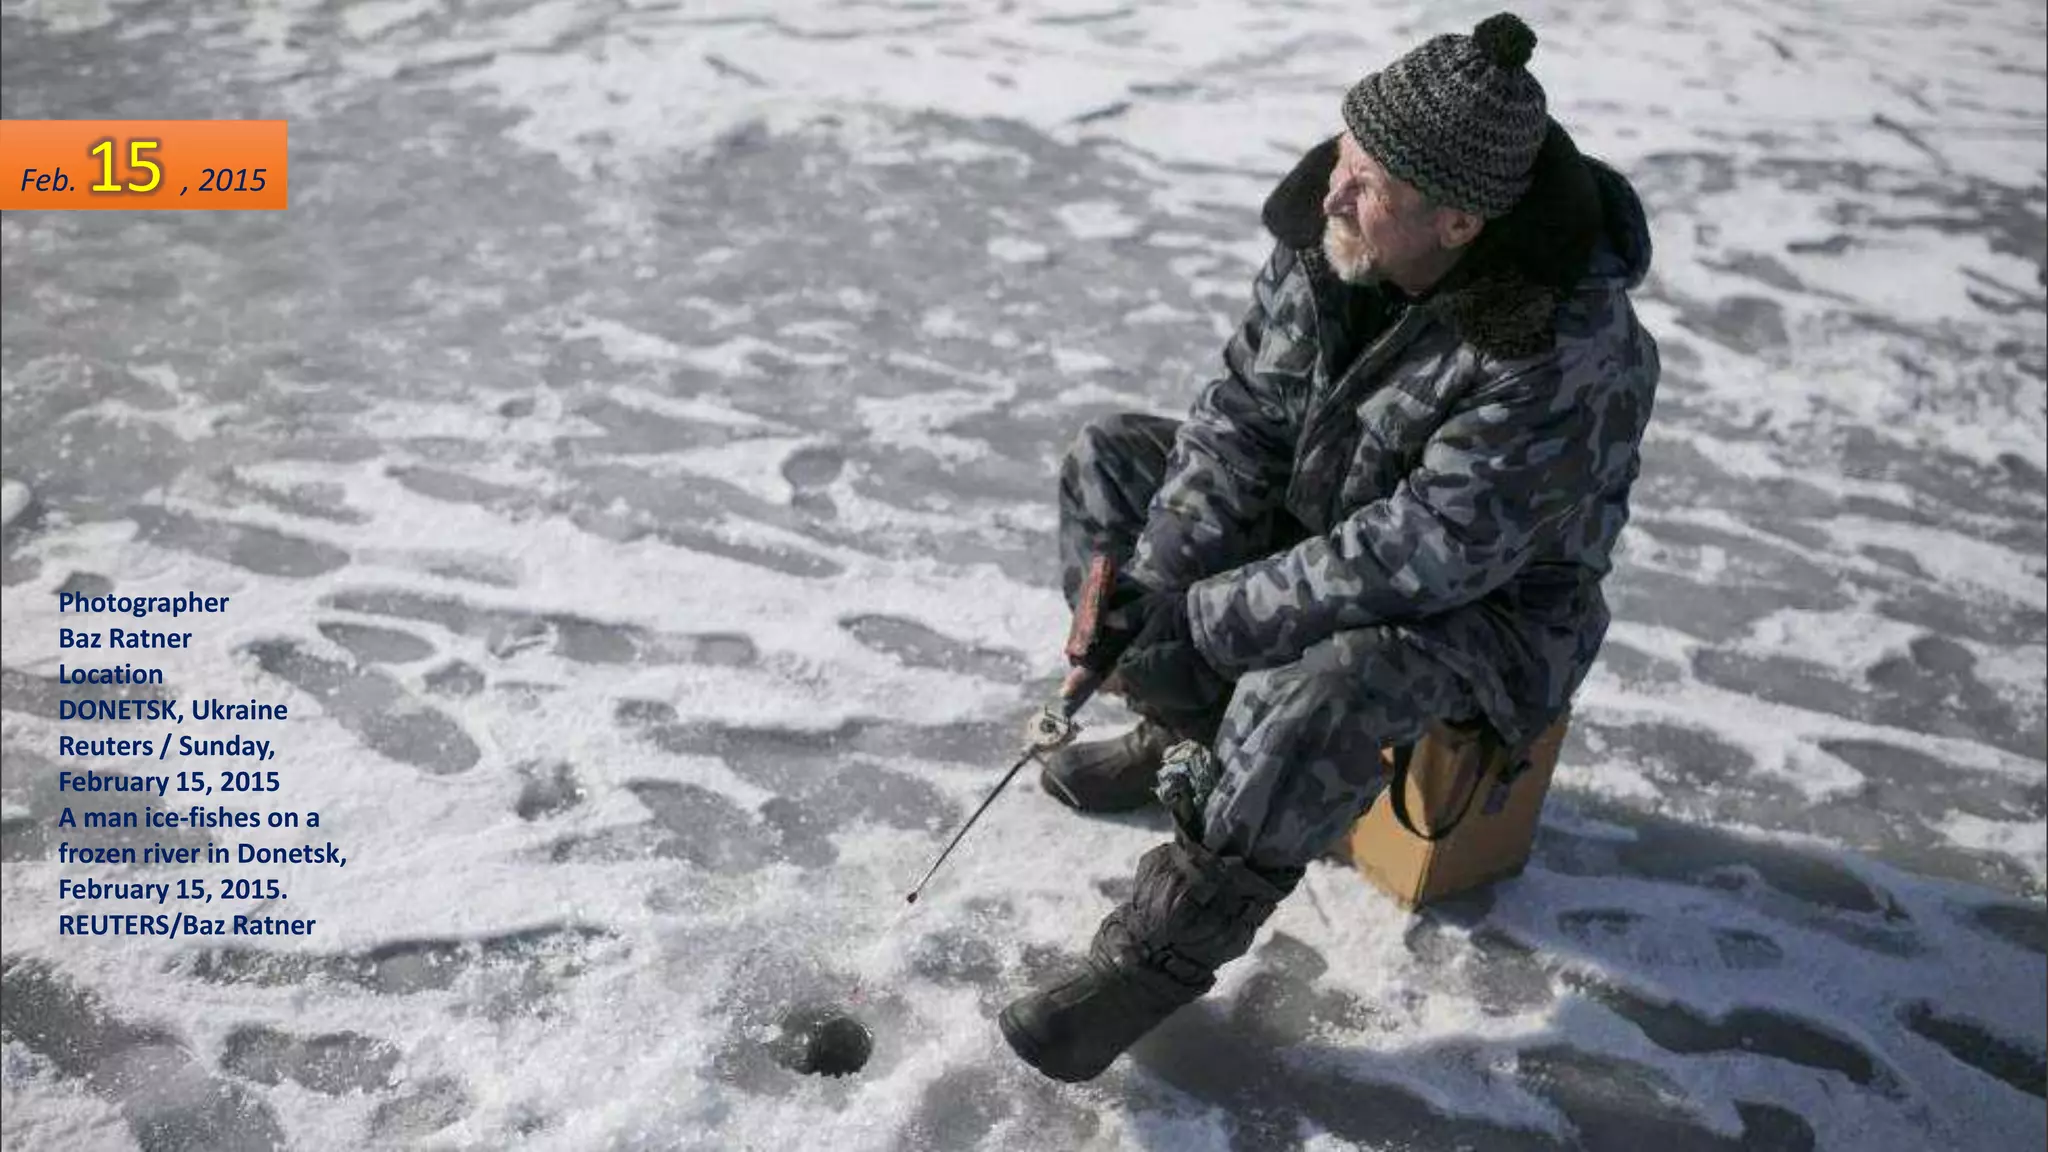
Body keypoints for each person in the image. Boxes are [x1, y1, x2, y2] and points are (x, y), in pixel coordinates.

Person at [1000, 12, 1662, 1082]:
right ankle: (1189, 733)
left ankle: (1153, 958)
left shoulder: (1564, 352)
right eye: (1343, 159)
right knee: (1113, 463)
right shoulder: (1334, 238)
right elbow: (1241, 421)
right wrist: (1157, 594)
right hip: (1333, 515)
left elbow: (1430, 552)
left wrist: (1201, 619)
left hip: (1487, 613)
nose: (1332, 196)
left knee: (1325, 678)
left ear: (1456, 222)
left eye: (1368, 185)